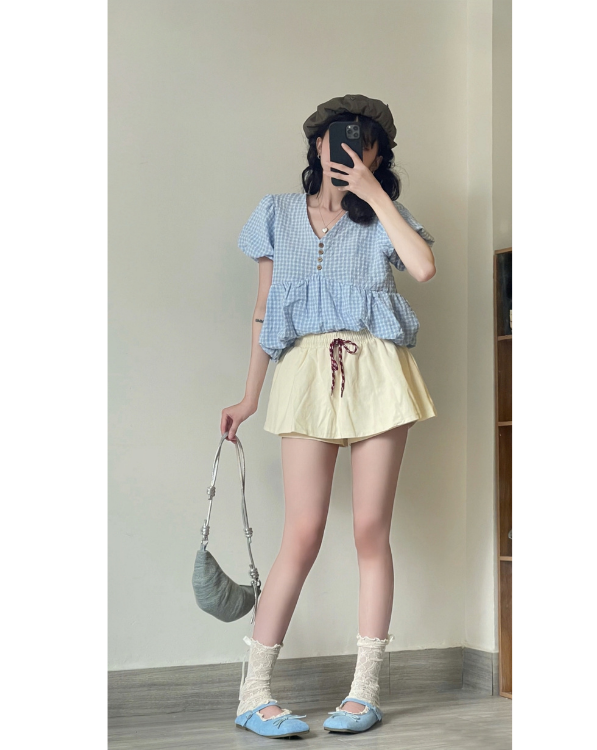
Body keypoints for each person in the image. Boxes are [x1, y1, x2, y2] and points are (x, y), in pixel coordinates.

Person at [222, 94, 438, 738]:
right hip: (305, 374)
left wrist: (374, 196)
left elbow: (424, 267)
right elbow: (264, 312)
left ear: (377, 154)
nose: (345, 147)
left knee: (371, 530)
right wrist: (250, 396)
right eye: (335, 136)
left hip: (378, 372)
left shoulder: (384, 218)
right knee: (303, 531)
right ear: (316, 144)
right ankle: (253, 693)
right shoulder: (276, 215)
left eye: (363, 140)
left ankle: (364, 692)